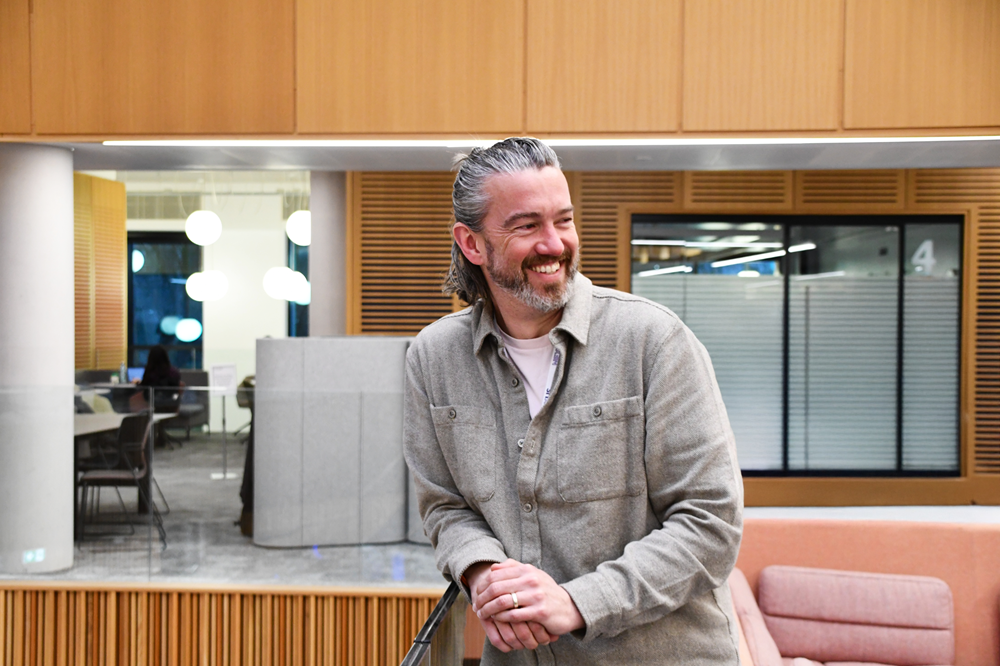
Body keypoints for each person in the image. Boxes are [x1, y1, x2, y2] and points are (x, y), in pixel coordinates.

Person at [403, 137, 744, 665]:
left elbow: (710, 522)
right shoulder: (433, 358)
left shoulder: (654, 340)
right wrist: (483, 572)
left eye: (563, 220)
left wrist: (577, 601)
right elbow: (446, 507)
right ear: (471, 244)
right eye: (526, 225)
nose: (554, 243)